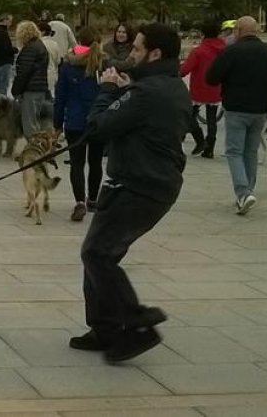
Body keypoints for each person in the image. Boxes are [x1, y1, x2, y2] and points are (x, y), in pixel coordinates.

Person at [71, 22, 189, 363]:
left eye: (137, 49)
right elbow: (138, 118)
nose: (131, 54)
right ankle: (105, 329)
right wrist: (126, 92)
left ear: (154, 53)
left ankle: (138, 323)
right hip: (151, 184)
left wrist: (108, 90)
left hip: (139, 187)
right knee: (97, 253)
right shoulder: (169, 86)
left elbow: (97, 127)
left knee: (98, 254)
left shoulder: (146, 93)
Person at [206, 16, 267, 215]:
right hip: (260, 111)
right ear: (257, 31)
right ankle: (247, 193)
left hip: (236, 109)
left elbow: (211, 78)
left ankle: (243, 193)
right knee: (250, 152)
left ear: (238, 31)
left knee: (234, 152)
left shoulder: (231, 52)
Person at [54, 27, 106, 221]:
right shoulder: (103, 63)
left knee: (77, 163)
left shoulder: (68, 65)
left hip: (75, 121)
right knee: (95, 161)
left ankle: (79, 202)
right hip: (99, 121)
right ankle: (93, 199)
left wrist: (57, 123)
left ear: (78, 43)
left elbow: (60, 97)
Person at [180, 20, 225, 159]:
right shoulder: (225, 50)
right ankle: (210, 147)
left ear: (203, 33)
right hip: (216, 88)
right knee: (212, 119)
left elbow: (185, 70)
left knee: (189, 116)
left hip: (199, 88)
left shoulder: (199, 51)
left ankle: (200, 140)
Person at [11, 20, 52, 137]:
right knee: (38, 121)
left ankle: (34, 150)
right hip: (40, 87)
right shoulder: (40, 45)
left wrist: (16, 90)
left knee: (30, 124)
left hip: (30, 88)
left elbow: (24, 72)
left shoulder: (30, 48)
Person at [0, 14, 17, 93]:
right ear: (5, 20)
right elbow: (6, 48)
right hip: (4, 61)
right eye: (10, 21)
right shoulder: (2, 32)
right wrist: (15, 50)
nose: (11, 24)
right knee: (3, 86)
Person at [38, 21, 62, 95]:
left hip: (39, 78)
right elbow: (58, 61)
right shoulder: (55, 44)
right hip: (52, 75)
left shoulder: (37, 43)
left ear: (42, 32)